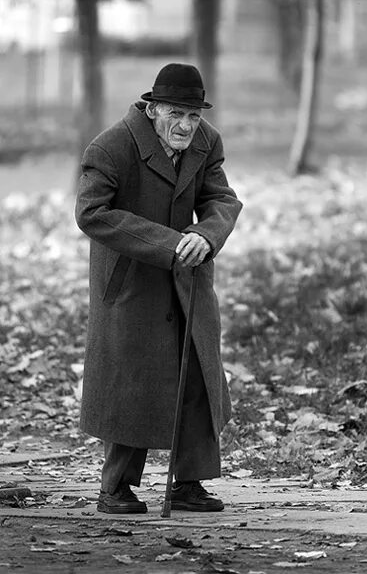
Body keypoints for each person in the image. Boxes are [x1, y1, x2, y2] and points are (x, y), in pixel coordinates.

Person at [75, 63, 243, 514]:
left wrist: (206, 234)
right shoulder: (111, 147)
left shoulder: (207, 141)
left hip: (189, 274)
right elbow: (91, 213)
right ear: (152, 109)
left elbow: (220, 199)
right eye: (176, 113)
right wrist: (170, 243)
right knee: (132, 380)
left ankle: (188, 484)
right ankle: (115, 488)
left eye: (193, 114)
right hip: (129, 281)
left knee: (196, 373)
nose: (187, 125)